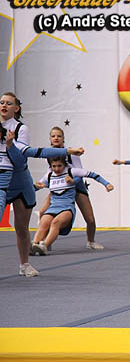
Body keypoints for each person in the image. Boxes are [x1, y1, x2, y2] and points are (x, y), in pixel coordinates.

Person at [1, 92, 84, 277]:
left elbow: (23, 158)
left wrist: (10, 145)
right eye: (1, 102)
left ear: (17, 108)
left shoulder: (21, 129)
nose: (4, 106)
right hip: (2, 180)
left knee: (22, 228)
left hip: (20, 181)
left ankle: (24, 264)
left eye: (9, 103)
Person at [37, 127, 104, 250]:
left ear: (63, 138)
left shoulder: (73, 153)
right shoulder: (49, 154)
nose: (56, 138)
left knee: (90, 219)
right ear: (50, 139)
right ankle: (45, 241)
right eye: (53, 136)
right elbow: (50, 173)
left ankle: (91, 241)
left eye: (59, 136)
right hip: (59, 188)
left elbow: (80, 173)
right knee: (42, 212)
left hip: (76, 186)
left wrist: (72, 181)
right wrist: (44, 185)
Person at [31, 157, 114, 255]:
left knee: (56, 223)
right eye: (54, 166)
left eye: (59, 166)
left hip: (67, 206)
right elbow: (37, 187)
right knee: (44, 222)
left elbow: (92, 174)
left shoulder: (72, 171)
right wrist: (37, 187)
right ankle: (34, 245)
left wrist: (106, 184)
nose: (56, 169)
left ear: (65, 164)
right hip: (54, 206)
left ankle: (44, 246)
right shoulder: (49, 175)